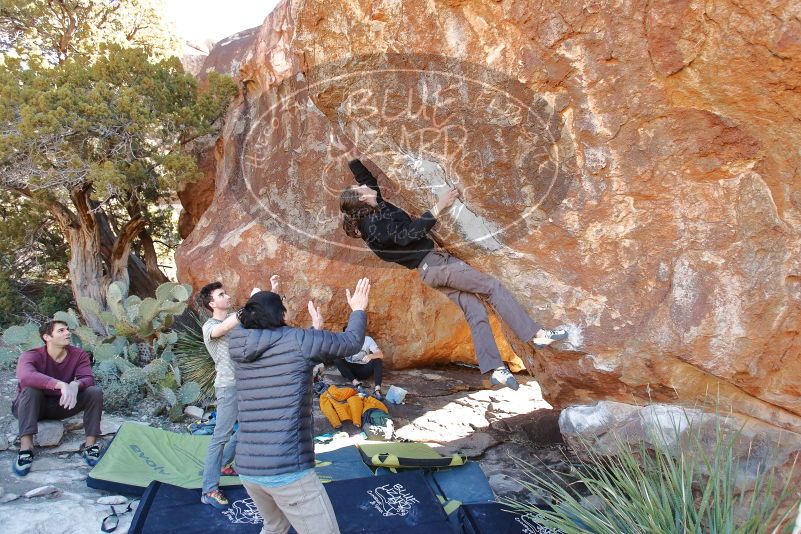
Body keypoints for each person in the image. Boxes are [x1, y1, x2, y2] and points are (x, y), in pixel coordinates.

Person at [340, 159, 568, 391]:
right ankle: (536, 334)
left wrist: (351, 157)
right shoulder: (373, 224)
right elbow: (406, 234)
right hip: (436, 264)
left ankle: (495, 369)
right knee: (491, 287)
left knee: (475, 310)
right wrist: (440, 206)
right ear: (361, 198)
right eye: (360, 189)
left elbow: (368, 182)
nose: (365, 186)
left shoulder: (373, 209)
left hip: (431, 270)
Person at [227, 278, 371, 534]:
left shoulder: (238, 342)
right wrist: (358, 308)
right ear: (280, 313)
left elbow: (284, 350)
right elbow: (351, 342)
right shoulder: (298, 340)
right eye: (283, 302)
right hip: (286, 469)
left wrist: (315, 329)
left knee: (274, 527)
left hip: (249, 469)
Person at [197, 275, 279, 509]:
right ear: (212, 304)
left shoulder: (239, 322)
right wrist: (252, 302)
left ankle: (224, 464)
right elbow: (225, 326)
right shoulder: (210, 327)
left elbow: (258, 319)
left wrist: (271, 291)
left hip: (247, 384)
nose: (227, 296)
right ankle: (209, 489)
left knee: (249, 427)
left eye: (225, 293)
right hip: (228, 387)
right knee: (220, 436)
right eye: (221, 295)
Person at [12, 320, 104, 476]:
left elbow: (88, 378)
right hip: (31, 406)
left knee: (94, 391)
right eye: (61, 331)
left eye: (67, 329)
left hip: (61, 405)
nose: (67, 333)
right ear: (47, 337)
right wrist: (61, 385)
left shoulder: (78, 354)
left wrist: (75, 385)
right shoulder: (31, 356)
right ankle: (26, 449)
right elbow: (26, 377)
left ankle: (90, 446)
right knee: (31, 390)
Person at [335, 326, 384, 399]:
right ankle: (356, 383)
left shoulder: (367, 339)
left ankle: (377, 389)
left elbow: (380, 354)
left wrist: (371, 356)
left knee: (378, 360)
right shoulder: (344, 341)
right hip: (350, 372)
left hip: (364, 369)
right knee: (337, 359)